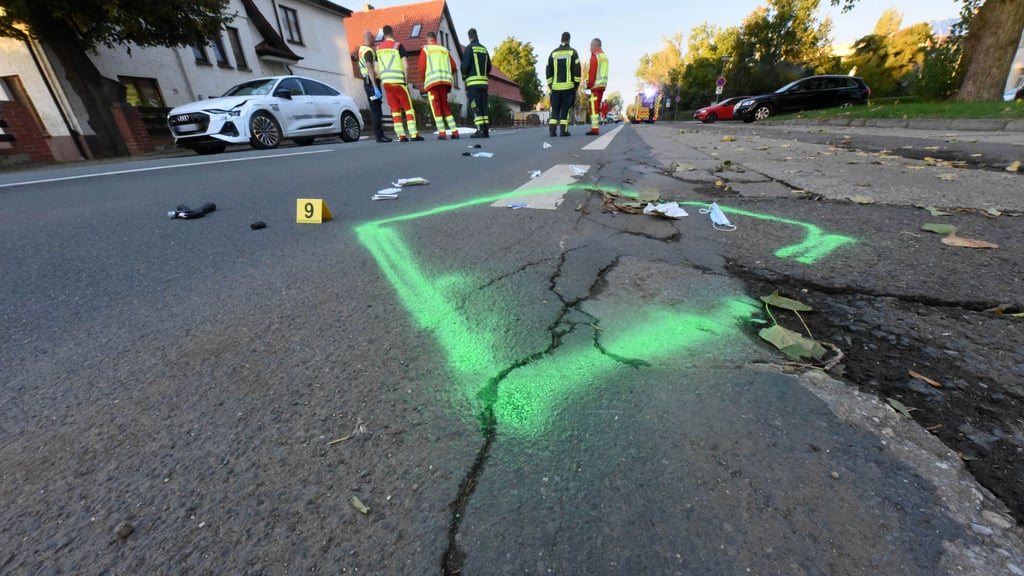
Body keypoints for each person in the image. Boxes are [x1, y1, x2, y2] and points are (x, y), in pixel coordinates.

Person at [375, 25, 423, 142]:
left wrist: (383, 78)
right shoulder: (398, 46)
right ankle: (413, 134)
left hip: (387, 83)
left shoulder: (378, 49)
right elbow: (406, 66)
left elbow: (376, 68)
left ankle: (401, 135)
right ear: (393, 33)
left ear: (384, 35)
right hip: (399, 82)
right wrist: (406, 81)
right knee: (408, 108)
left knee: (395, 110)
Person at [418, 31, 460, 140]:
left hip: (432, 83)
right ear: (435, 39)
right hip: (445, 83)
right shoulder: (444, 50)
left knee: (436, 107)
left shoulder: (425, 49)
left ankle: (442, 133)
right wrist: (448, 75)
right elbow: (454, 66)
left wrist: (424, 80)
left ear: (428, 40)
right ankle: (454, 131)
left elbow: (422, 68)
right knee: (445, 106)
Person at [357, 31, 391, 143]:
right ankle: (379, 136)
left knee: (374, 109)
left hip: (367, 83)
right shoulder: (368, 51)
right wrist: (376, 87)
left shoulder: (361, 50)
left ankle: (379, 135)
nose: (374, 41)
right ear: (370, 38)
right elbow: (370, 70)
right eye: (373, 38)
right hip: (371, 83)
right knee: (376, 110)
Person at [546, 31, 581, 137]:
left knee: (555, 109)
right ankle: (563, 131)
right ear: (569, 39)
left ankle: (552, 131)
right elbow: (577, 70)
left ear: (561, 39)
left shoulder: (553, 53)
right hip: (568, 87)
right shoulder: (572, 53)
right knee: (565, 109)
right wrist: (576, 85)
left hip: (555, 87)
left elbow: (548, 70)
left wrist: (550, 84)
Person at [461, 28, 491, 138]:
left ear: (469, 37)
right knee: (483, 106)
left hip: (473, 84)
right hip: (484, 84)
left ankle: (479, 130)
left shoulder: (469, 49)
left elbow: (464, 67)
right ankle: (486, 130)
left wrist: (464, 78)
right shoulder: (484, 49)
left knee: (475, 106)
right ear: (477, 35)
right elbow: (489, 67)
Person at [585, 38, 609, 136]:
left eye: (591, 46)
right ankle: (595, 127)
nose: (590, 48)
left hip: (595, 85)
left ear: (595, 46)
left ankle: (594, 129)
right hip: (602, 85)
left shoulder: (595, 56)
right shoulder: (604, 56)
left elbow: (592, 72)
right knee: (597, 106)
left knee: (594, 108)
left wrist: (588, 84)